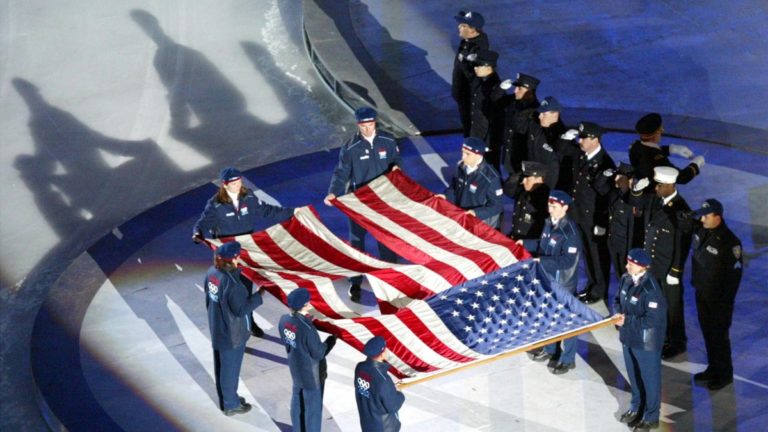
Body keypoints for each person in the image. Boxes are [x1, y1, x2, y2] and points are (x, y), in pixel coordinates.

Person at [194, 166, 295, 337]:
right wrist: (197, 233)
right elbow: (204, 222)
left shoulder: (248, 197)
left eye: (239, 181)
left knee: (246, 289)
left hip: (244, 253)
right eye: (234, 182)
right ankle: (229, 326)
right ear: (225, 185)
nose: (238, 184)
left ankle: (249, 322)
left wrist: (292, 212)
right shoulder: (215, 204)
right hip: (226, 258)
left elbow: (268, 210)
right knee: (227, 292)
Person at [325, 107, 401, 303]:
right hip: (359, 202)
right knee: (357, 242)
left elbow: (395, 162)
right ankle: (355, 282)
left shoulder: (388, 141)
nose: (367, 129)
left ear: (375, 123)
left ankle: (390, 277)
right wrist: (333, 192)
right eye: (363, 126)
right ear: (358, 125)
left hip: (383, 201)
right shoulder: (350, 148)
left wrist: (396, 168)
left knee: (386, 240)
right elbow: (342, 173)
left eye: (370, 125)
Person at [522, 190, 582, 374]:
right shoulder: (550, 223)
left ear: (564, 207)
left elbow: (567, 261)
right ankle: (550, 349)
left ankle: (568, 358)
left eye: (553, 206)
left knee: (566, 321)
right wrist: (523, 243)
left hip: (562, 282)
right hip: (547, 278)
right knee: (547, 315)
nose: (550, 209)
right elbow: (543, 244)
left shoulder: (570, 231)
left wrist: (542, 261)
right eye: (549, 205)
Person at [688, 199, 743, 390]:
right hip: (702, 292)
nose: (702, 219)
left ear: (717, 218)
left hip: (719, 300)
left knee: (719, 337)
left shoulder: (730, 243)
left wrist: (724, 303)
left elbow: (734, 278)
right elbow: (689, 222)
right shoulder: (702, 230)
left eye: (706, 216)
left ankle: (724, 374)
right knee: (708, 334)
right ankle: (713, 368)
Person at [204, 241, 264, 416]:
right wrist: (259, 296)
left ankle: (229, 397)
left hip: (217, 327)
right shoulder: (234, 284)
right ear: (235, 258)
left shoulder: (212, 273)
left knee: (221, 366)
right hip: (232, 334)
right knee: (230, 369)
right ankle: (231, 404)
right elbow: (241, 309)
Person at [613, 248, 667, 431]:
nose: (627, 266)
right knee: (634, 377)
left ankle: (652, 416)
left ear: (643, 267)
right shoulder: (625, 279)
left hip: (645, 342)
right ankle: (636, 407)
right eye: (628, 262)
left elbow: (653, 319)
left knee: (650, 380)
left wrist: (627, 320)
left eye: (631, 264)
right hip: (628, 337)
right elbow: (617, 301)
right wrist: (616, 315)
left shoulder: (651, 289)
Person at [642, 166, 692, 360]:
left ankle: (677, 342)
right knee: (658, 303)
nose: (656, 188)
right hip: (655, 264)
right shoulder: (660, 202)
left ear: (670, 186)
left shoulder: (681, 211)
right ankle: (661, 336)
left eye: (660, 185)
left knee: (673, 308)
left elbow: (682, 244)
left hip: (668, 267)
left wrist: (676, 270)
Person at [569, 122, 616, 305]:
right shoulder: (584, 156)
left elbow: (606, 196)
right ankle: (592, 284)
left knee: (598, 255)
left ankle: (599, 291)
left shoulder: (605, 164)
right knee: (588, 253)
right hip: (581, 214)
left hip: (595, 218)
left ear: (595, 140)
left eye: (584, 138)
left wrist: (602, 223)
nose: (580, 141)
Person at [278, 288, 337, 432]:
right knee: (313, 410)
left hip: (296, 368)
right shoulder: (307, 329)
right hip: (311, 375)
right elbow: (319, 352)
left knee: (297, 402)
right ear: (305, 305)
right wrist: (332, 339)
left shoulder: (283, 320)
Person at [440, 137, 504, 228]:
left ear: (478, 155)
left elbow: (497, 206)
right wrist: (445, 196)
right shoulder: (460, 167)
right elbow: (454, 188)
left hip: (479, 224)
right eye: (462, 152)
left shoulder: (491, 177)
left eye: (467, 154)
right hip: (462, 218)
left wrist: (476, 213)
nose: (463, 157)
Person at [629, 112, 705, 190]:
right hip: (655, 193)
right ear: (655, 135)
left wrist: (671, 149)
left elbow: (650, 151)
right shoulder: (659, 162)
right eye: (660, 130)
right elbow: (682, 178)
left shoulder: (634, 146)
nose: (662, 131)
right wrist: (695, 164)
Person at [354, 336, 406, 432]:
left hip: (367, 422)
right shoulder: (383, 379)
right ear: (382, 354)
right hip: (384, 427)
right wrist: (399, 394)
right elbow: (393, 406)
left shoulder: (360, 368)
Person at [452, 10, 488, 137]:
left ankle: (471, 151)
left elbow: (474, 75)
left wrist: (465, 59)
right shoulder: (468, 39)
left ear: (473, 30)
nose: (459, 27)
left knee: (470, 127)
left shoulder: (478, 48)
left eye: (463, 25)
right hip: (462, 95)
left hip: (469, 97)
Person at [468, 49, 506, 170]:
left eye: (478, 65)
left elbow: (497, 118)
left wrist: (490, 143)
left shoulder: (494, 86)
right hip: (477, 131)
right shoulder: (480, 79)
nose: (475, 68)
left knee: (490, 167)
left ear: (488, 67)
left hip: (487, 136)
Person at [499, 73, 540, 180]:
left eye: (519, 88)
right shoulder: (514, 102)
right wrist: (500, 89)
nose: (515, 91)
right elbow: (495, 102)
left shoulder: (536, 112)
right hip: (509, 160)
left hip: (523, 163)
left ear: (529, 91)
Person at [509, 161, 550, 241]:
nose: (523, 181)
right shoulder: (524, 193)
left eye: (527, 178)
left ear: (539, 179)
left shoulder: (545, 201)